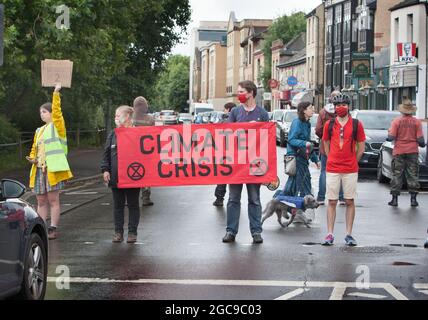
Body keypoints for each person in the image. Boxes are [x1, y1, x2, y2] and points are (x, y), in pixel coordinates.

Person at [222, 81, 269, 244]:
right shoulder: (235, 112)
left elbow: (267, 140)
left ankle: (256, 232)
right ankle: (231, 231)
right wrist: (245, 128)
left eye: (241, 91)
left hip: (255, 163)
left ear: (251, 93)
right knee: (233, 198)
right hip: (237, 163)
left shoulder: (262, 113)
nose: (239, 94)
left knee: (254, 199)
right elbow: (228, 134)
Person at [26, 84, 73, 240]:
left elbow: (58, 113)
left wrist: (56, 93)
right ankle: (40, 228)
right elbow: (34, 147)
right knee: (40, 200)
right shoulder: (39, 131)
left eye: (44, 112)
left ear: (51, 113)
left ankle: (52, 228)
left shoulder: (57, 126)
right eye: (40, 112)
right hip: (39, 169)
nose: (42, 114)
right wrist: (32, 157)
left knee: (53, 200)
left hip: (52, 169)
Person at [321, 93, 366, 246]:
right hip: (333, 167)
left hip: (350, 168)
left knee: (349, 200)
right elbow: (325, 142)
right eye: (338, 105)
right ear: (334, 107)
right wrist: (330, 157)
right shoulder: (329, 124)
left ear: (348, 107)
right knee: (332, 201)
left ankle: (349, 234)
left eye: (344, 105)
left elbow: (362, 145)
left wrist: (355, 160)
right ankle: (329, 234)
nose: (341, 108)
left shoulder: (356, 124)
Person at [101, 106, 141, 243]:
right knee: (118, 205)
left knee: (133, 204)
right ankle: (118, 232)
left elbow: (145, 156)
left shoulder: (138, 133)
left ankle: (132, 233)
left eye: (118, 115)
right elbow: (106, 154)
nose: (115, 118)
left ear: (127, 116)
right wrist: (105, 170)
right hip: (116, 177)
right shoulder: (113, 134)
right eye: (115, 116)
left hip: (133, 177)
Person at [386, 99, 426, 207]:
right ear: (412, 111)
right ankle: (413, 200)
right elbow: (421, 141)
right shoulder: (417, 122)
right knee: (412, 175)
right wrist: (422, 144)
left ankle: (394, 200)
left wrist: (389, 134)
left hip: (399, 151)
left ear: (402, 111)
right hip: (412, 151)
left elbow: (390, 137)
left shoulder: (396, 121)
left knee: (397, 174)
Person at [280, 102, 320, 198]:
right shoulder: (297, 122)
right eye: (310, 107)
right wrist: (304, 143)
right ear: (304, 111)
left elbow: (308, 143)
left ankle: (292, 202)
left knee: (301, 181)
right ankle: (282, 200)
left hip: (303, 157)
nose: (313, 109)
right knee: (298, 183)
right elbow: (291, 139)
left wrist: (315, 160)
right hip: (296, 157)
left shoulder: (307, 123)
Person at [315, 91, 345, 205]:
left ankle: (321, 198)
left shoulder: (323, 112)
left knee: (324, 172)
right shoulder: (343, 113)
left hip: (325, 146)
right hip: (340, 147)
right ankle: (342, 198)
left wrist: (324, 137)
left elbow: (318, 130)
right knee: (341, 172)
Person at [133, 96, 155, 206]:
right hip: (146, 151)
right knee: (146, 175)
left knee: (132, 174)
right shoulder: (150, 119)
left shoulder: (130, 118)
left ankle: (130, 198)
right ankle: (146, 197)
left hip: (132, 151)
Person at [213, 102, 236, 207]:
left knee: (223, 176)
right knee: (236, 177)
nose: (223, 111)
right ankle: (234, 198)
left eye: (224, 109)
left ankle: (219, 198)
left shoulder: (223, 121)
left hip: (224, 153)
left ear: (228, 110)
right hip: (237, 154)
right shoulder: (240, 121)